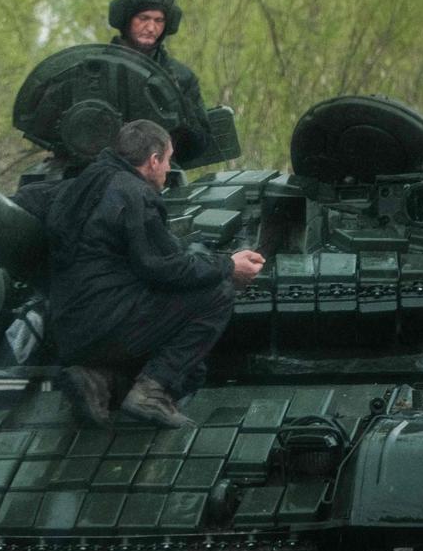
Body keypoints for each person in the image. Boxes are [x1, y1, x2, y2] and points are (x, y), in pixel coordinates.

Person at [16, 120, 264, 428]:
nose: (167, 170)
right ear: (154, 160)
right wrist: (229, 266)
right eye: (168, 160)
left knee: (192, 369)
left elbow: (22, 202)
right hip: (110, 328)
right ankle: (151, 391)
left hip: (67, 333)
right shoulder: (135, 194)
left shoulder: (76, 186)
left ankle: (99, 381)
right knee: (217, 293)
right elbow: (164, 268)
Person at [108, 0, 211, 164]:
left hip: (160, 177)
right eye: (143, 18)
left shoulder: (181, 78)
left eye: (159, 20)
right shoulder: (96, 71)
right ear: (126, 19)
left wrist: (181, 108)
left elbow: (200, 143)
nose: (151, 28)